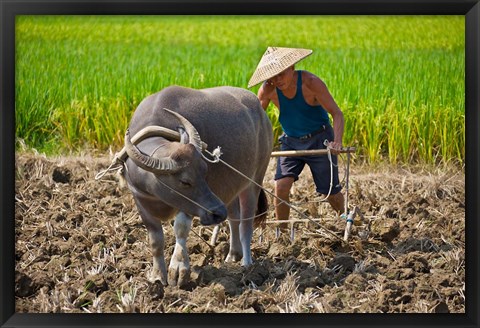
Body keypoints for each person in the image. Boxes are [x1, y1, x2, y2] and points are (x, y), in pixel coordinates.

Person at [248, 46, 346, 231]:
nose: (277, 80)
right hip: (291, 141)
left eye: (281, 74)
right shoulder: (268, 89)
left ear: (292, 67)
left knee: (330, 192)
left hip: (320, 139)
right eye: (273, 76)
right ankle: (282, 232)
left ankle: (346, 218)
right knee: (281, 187)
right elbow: (254, 120)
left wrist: (337, 142)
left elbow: (337, 113)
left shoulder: (311, 83)